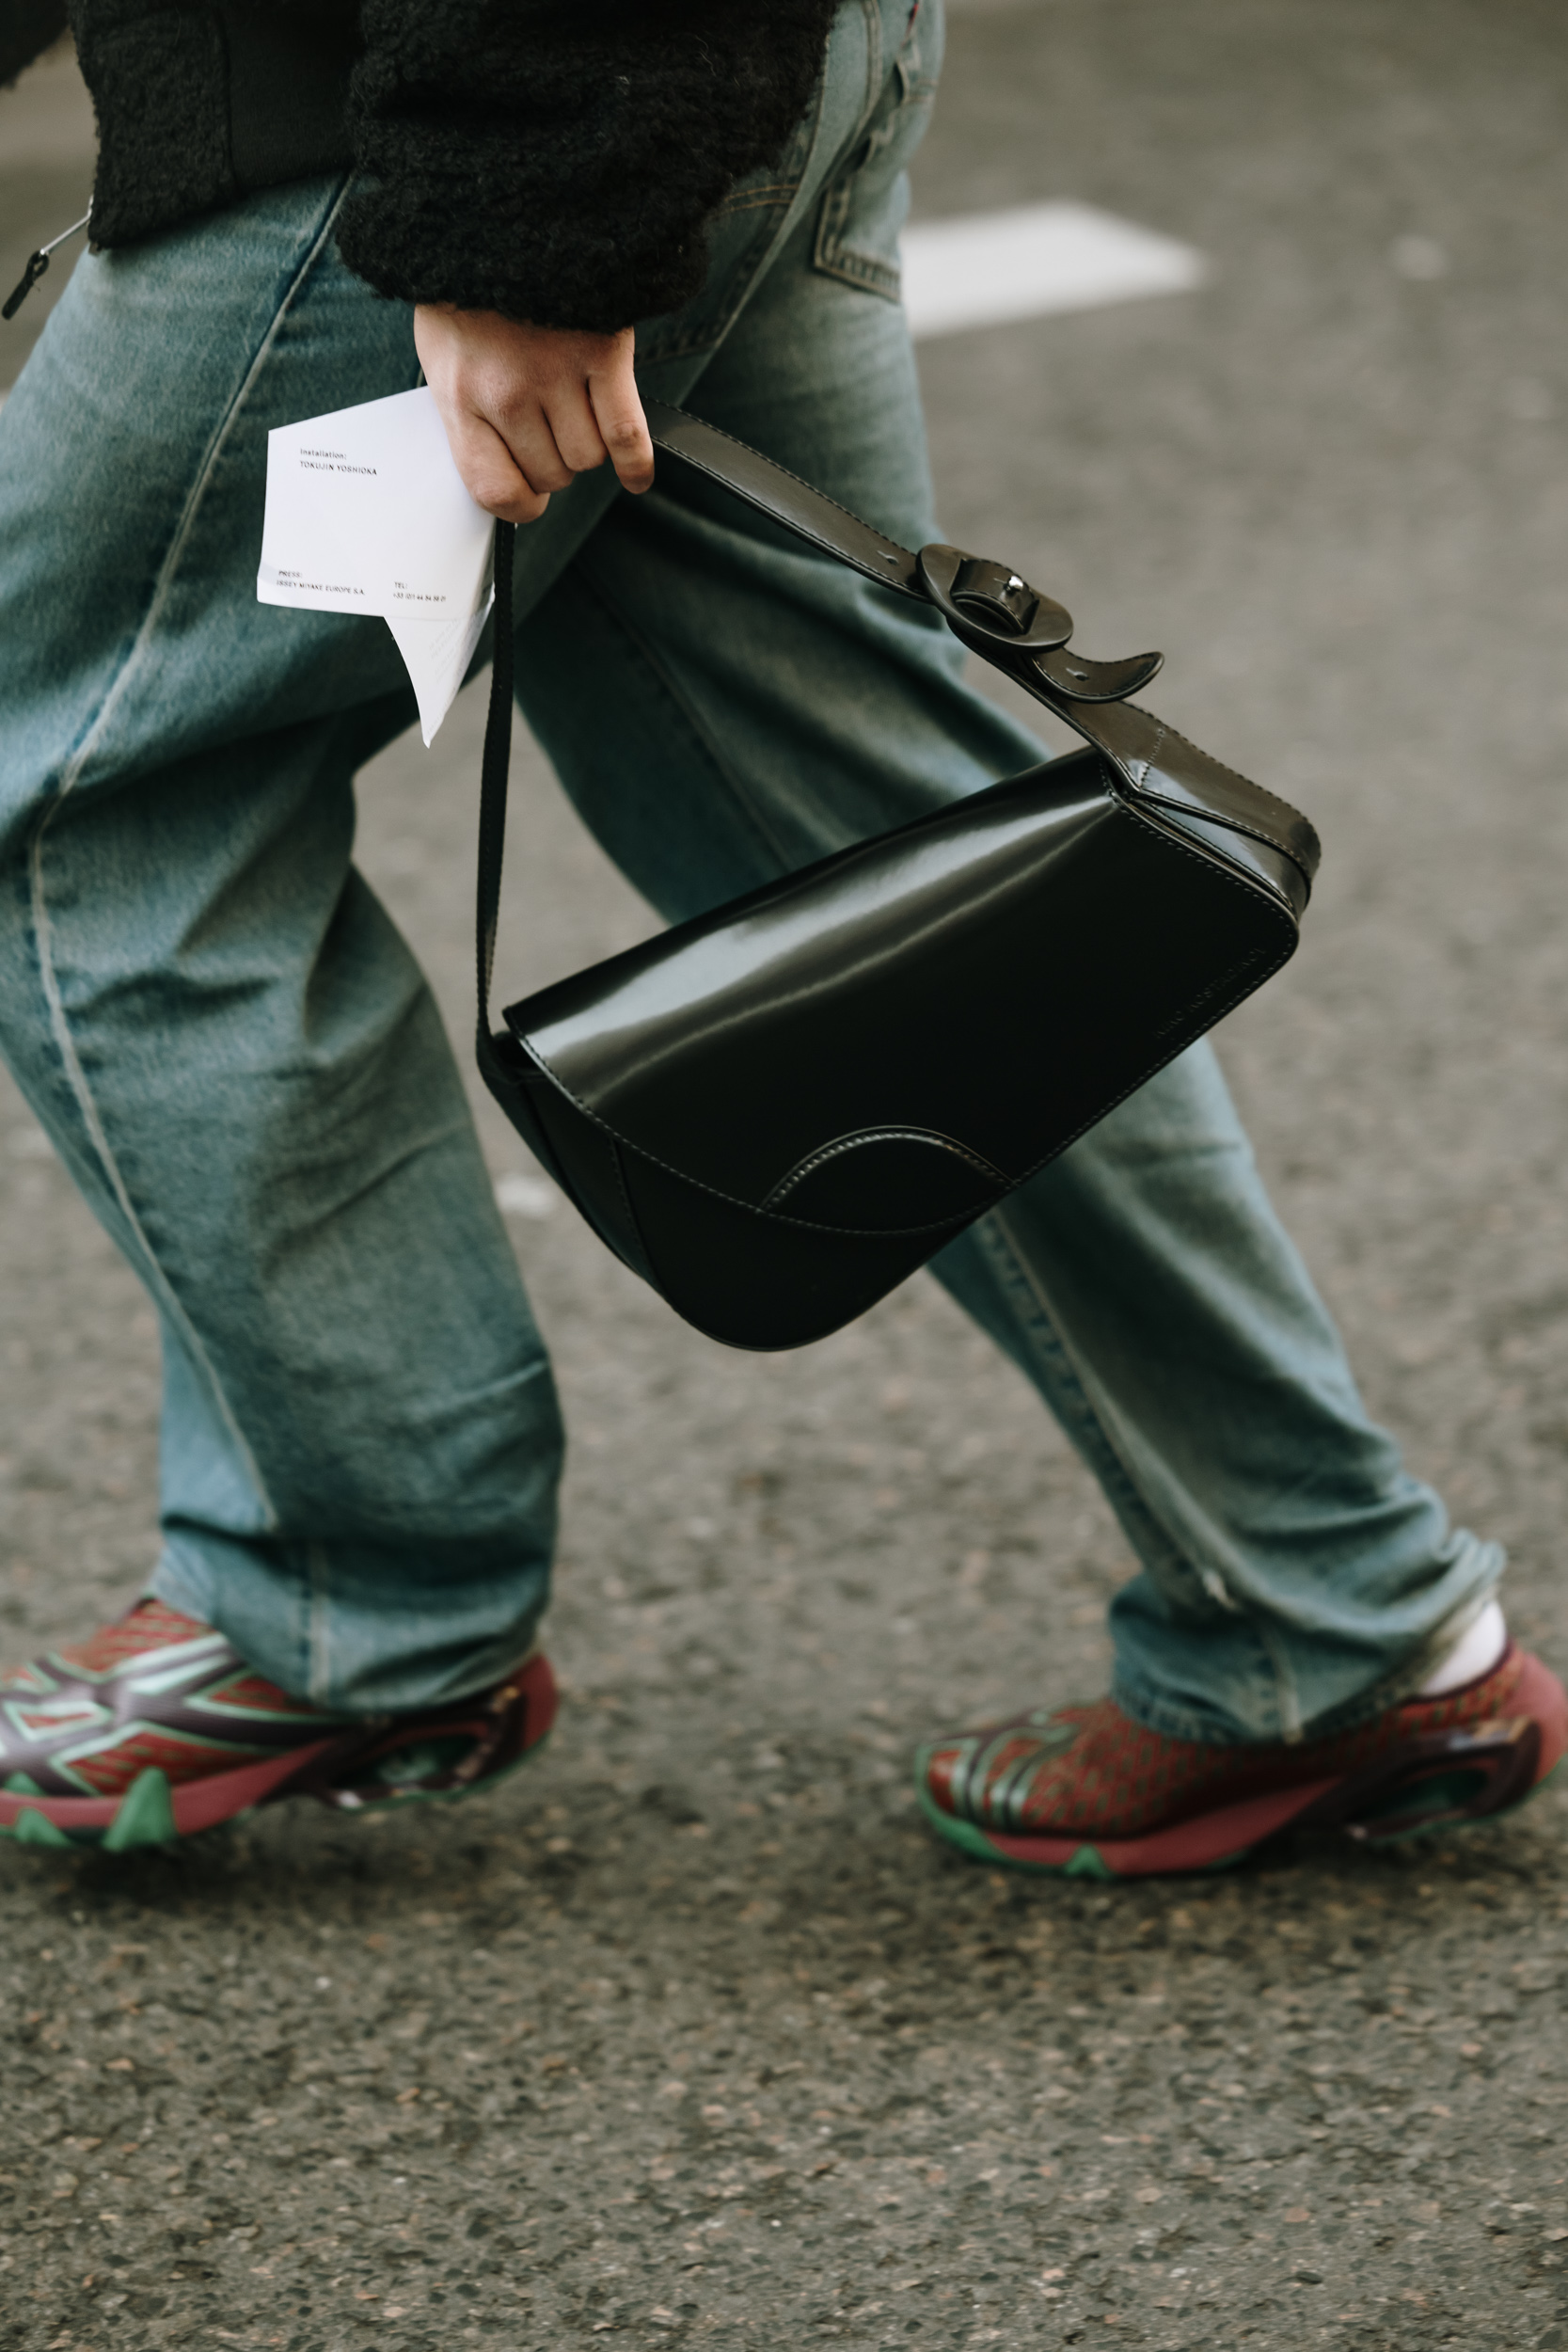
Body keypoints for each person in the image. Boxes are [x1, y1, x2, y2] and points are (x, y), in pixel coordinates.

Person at [0, 0, 1560, 1876]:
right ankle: (1331, 1600)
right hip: (709, 67)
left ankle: (346, 1595)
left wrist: (532, 205)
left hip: (441, 110)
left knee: (86, 793)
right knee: (914, 886)